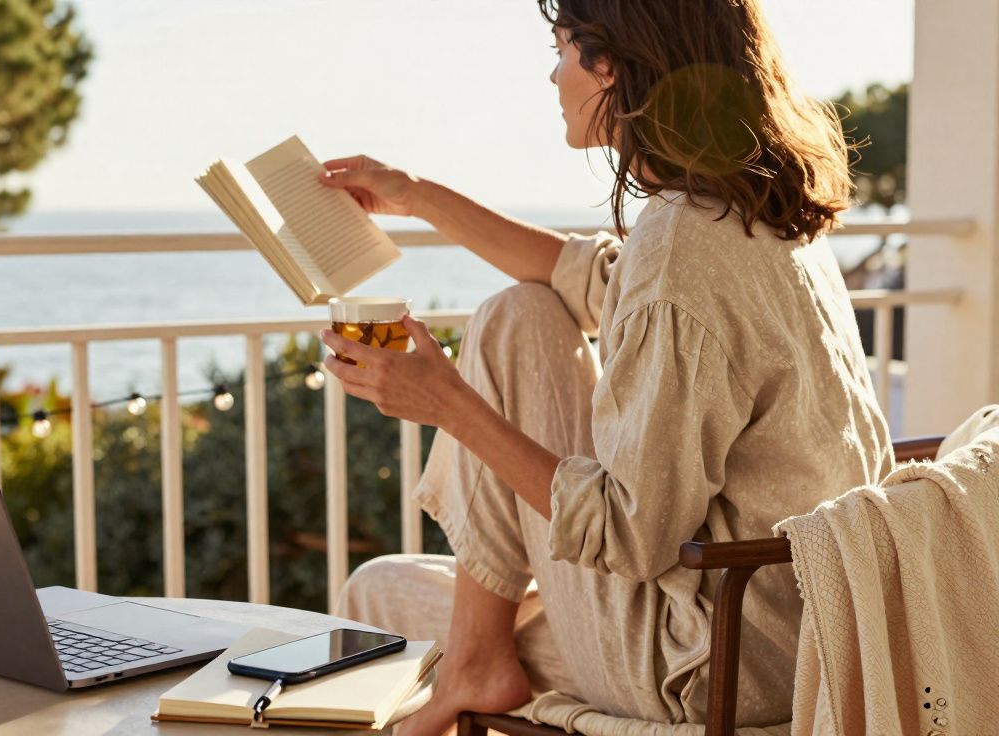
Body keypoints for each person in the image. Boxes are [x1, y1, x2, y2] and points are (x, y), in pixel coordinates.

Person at [316, 1, 891, 734]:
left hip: (716, 664)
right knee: (381, 588)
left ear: (611, 63)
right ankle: (476, 654)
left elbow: (632, 534)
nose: (552, 74)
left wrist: (448, 403)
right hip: (800, 630)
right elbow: (583, 276)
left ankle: (472, 663)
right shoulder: (758, 214)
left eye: (561, 48)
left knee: (508, 321)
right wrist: (416, 195)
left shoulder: (683, 248)